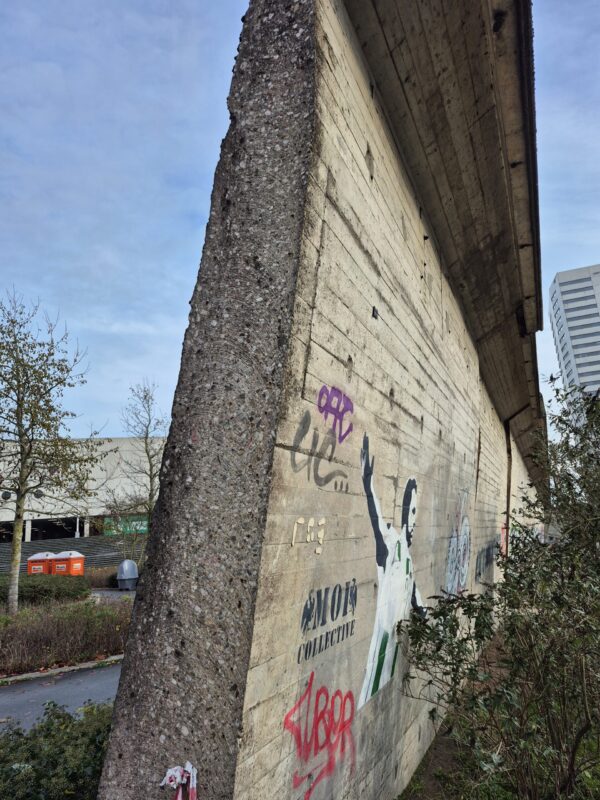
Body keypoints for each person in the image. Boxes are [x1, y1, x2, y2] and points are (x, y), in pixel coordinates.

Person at [358, 434, 424, 708]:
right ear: (404, 512)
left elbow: (416, 599)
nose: (412, 518)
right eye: (410, 510)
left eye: (415, 513)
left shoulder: (409, 561)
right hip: (380, 648)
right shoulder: (392, 542)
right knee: (372, 686)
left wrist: (424, 614)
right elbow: (375, 517)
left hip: (392, 653)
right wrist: (367, 483)